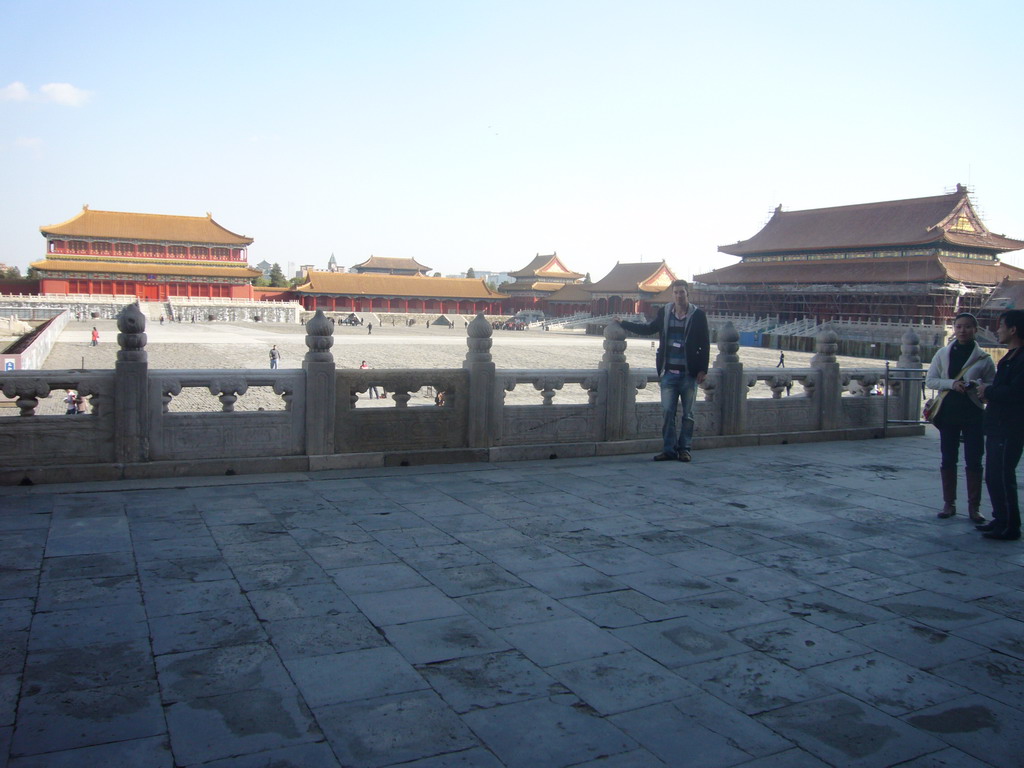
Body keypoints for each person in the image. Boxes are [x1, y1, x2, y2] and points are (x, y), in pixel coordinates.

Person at [617, 280, 710, 462]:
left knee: (688, 415)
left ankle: (685, 449)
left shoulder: (698, 315)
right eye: (675, 292)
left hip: (689, 374)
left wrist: (702, 369)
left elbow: (704, 343)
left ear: (687, 293)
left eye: (681, 292)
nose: (678, 296)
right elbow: (648, 329)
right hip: (668, 373)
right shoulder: (665, 313)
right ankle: (669, 449)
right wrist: (624, 324)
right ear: (672, 294)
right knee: (668, 413)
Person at [925, 313, 995, 522]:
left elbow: (992, 383)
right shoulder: (943, 354)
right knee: (948, 457)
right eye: (958, 326)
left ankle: (974, 507)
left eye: (967, 327)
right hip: (948, 411)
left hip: (973, 412)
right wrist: (951, 384)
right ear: (954, 329)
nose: (962, 330)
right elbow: (931, 380)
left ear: (975, 329)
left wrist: (976, 386)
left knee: (974, 459)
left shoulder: (984, 358)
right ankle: (949, 503)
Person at [976, 310, 1024, 541]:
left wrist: (988, 391)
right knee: (993, 475)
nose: (998, 330)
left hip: (1010, 425)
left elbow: (1016, 392)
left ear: (1013, 329)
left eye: (1001, 326)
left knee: (1003, 475)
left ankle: (1009, 525)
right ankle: (1000, 518)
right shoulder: (1010, 357)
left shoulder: (1022, 358)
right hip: (998, 423)